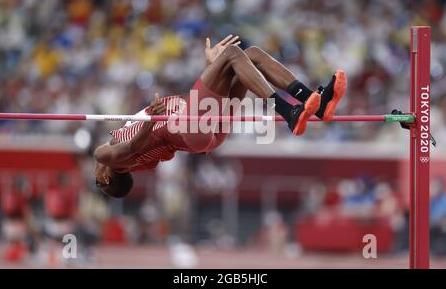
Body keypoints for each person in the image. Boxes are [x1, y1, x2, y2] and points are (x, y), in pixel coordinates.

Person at [94, 35, 347, 198]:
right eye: (97, 182)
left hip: (203, 130)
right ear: (106, 178)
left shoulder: (130, 157)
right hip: (190, 128)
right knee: (232, 55)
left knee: (252, 56)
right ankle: (288, 111)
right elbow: (135, 145)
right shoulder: (110, 157)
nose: (94, 173)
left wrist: (215, 69)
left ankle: (313, 101)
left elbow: (194, 105)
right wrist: (151, 119)